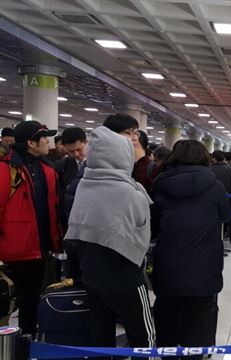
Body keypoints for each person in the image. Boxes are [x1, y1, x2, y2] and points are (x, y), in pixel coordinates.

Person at [65, 126, 155, 352]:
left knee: (100, 335)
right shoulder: (131, 192)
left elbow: (74, 232)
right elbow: (142, 237)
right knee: (143, 334)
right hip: (125, 275)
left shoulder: (84, 185)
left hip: (92, 273)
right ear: (121, 155)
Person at [151, 140, 231, 356]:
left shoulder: (160, 184)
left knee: (167, 315)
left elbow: (154, 223)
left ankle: (168, 351)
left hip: (168, 263)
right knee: (200, 317)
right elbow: (226, 215)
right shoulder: (215, 186)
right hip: (204, 265)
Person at [0, 121, 61, 337]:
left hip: (41, 244)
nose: (48, 142)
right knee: (17, 296)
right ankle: (16, 338)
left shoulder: (46, 168)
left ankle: (28, 335)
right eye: (44, 138)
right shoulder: (6, 170)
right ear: (31, 142)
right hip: (15, 247)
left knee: (33, 294)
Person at [211, 150, 231, 242]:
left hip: (213, 197)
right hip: (228, 196)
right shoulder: (229, 169)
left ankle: (216, 237)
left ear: (214, 158)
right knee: (230, 218)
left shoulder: (209, 169)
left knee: (215, 218)